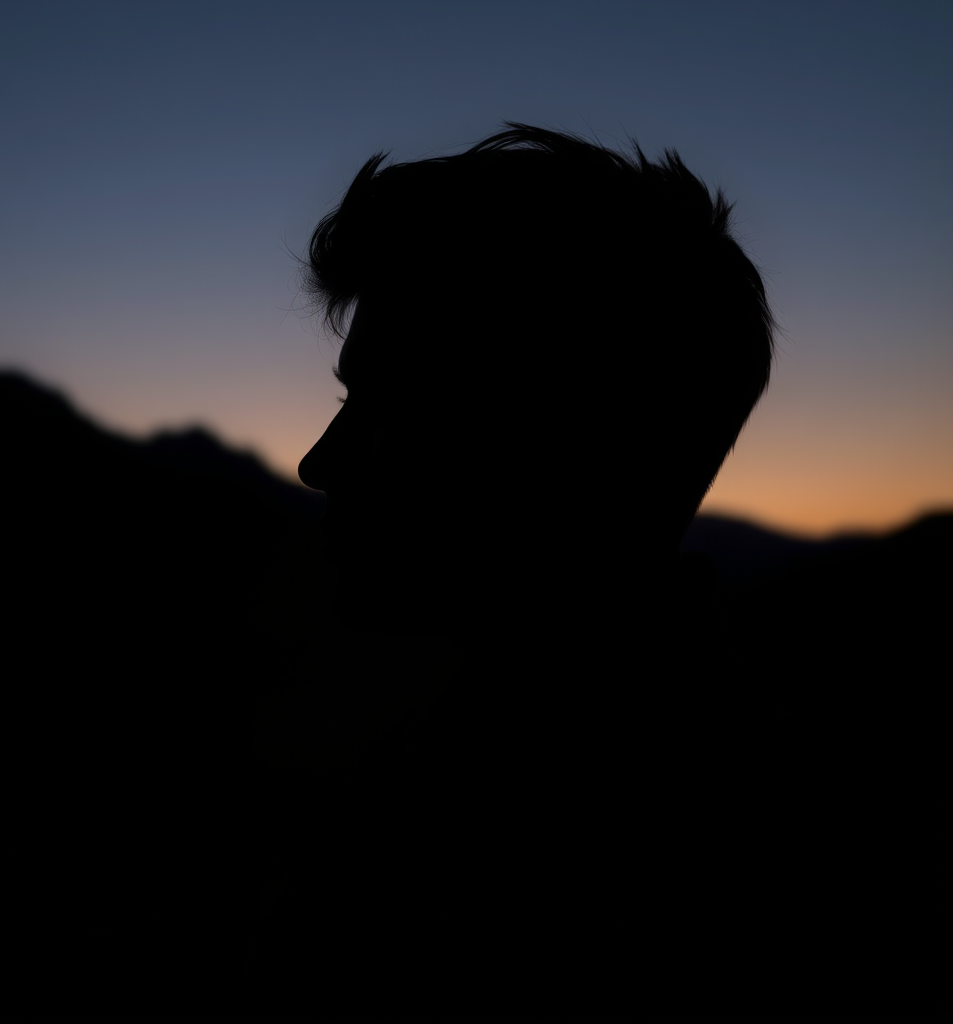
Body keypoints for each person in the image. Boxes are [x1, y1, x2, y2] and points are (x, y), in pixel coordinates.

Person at [265, 123, 785, 1021]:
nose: (319, 462)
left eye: (389, 406)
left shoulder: (514, 859)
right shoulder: (691, 779)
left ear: (558, 444)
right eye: (349, 400)